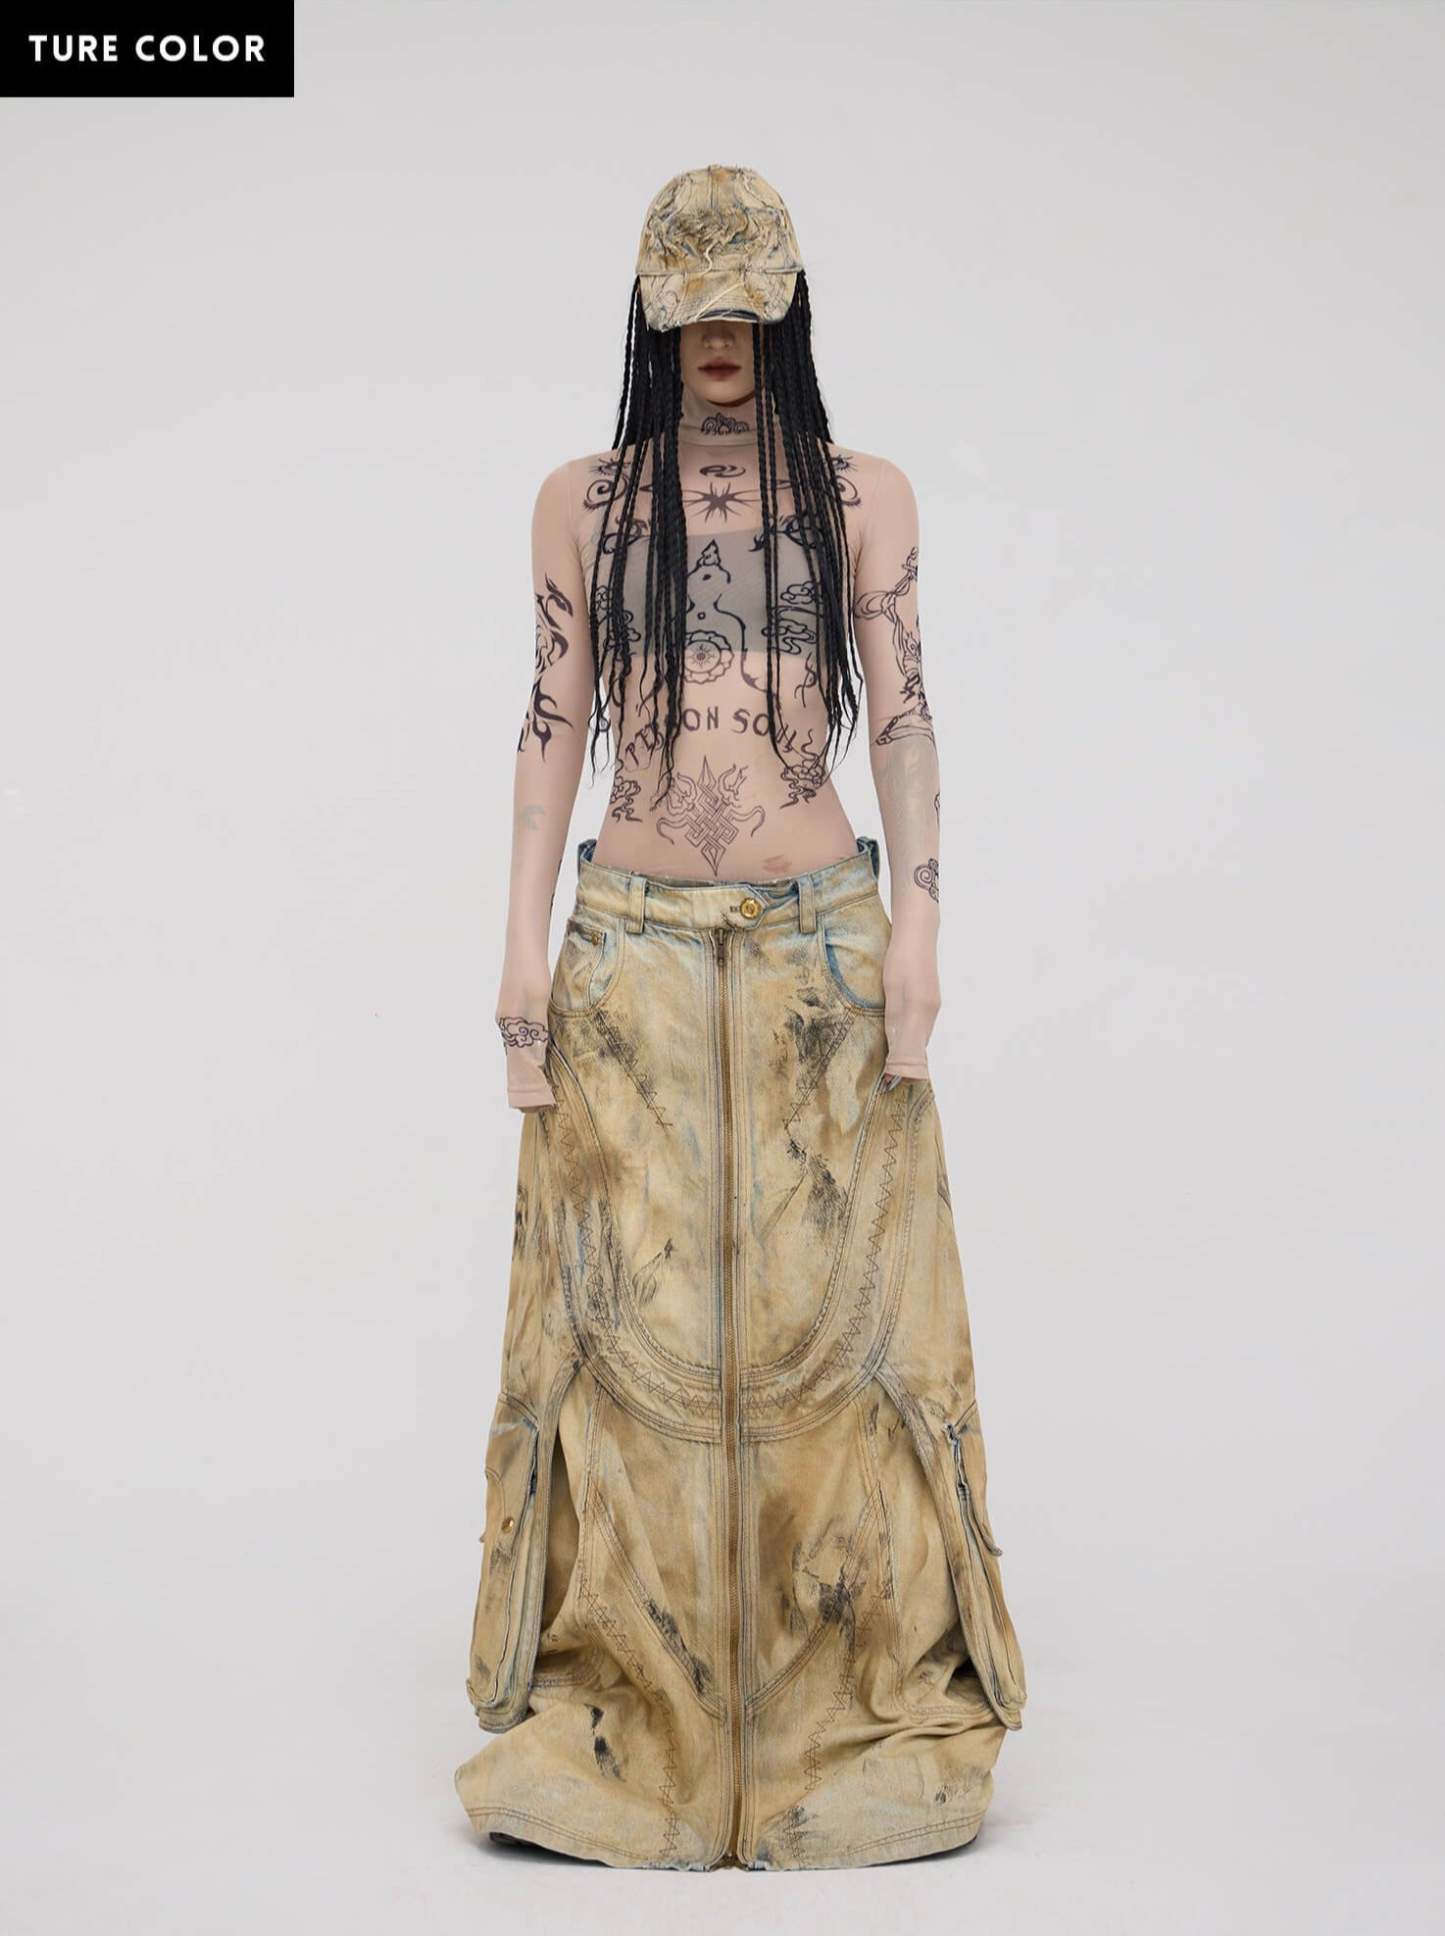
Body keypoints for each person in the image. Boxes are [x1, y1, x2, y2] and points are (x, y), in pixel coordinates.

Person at [455, 163, 1026, 1872]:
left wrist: (920, 924)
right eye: (690, 302)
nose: (719, 330)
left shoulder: (858, 494)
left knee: (844, 1337)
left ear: (786, 308)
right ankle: (631, 1728)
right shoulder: (582, 501)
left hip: (816, 949)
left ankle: (836, 1721)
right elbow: (551, 722)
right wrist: (519, 950)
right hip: (625, 949)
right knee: (619, 1339)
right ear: (650, 312)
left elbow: (903, 714)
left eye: (746, 300)